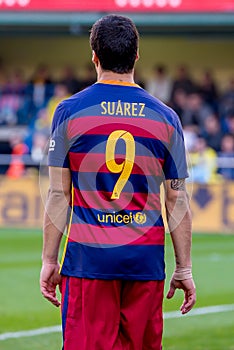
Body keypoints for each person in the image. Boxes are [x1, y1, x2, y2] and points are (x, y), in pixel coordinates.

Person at [40, 14, 196, 350]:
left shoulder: (69, 111)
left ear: (93, 55)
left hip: (87, 263)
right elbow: (177, 199)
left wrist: (49, 261)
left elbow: (58, 194)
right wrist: (184, 267)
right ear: (136, 55)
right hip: (145, 262)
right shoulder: (166, 117)